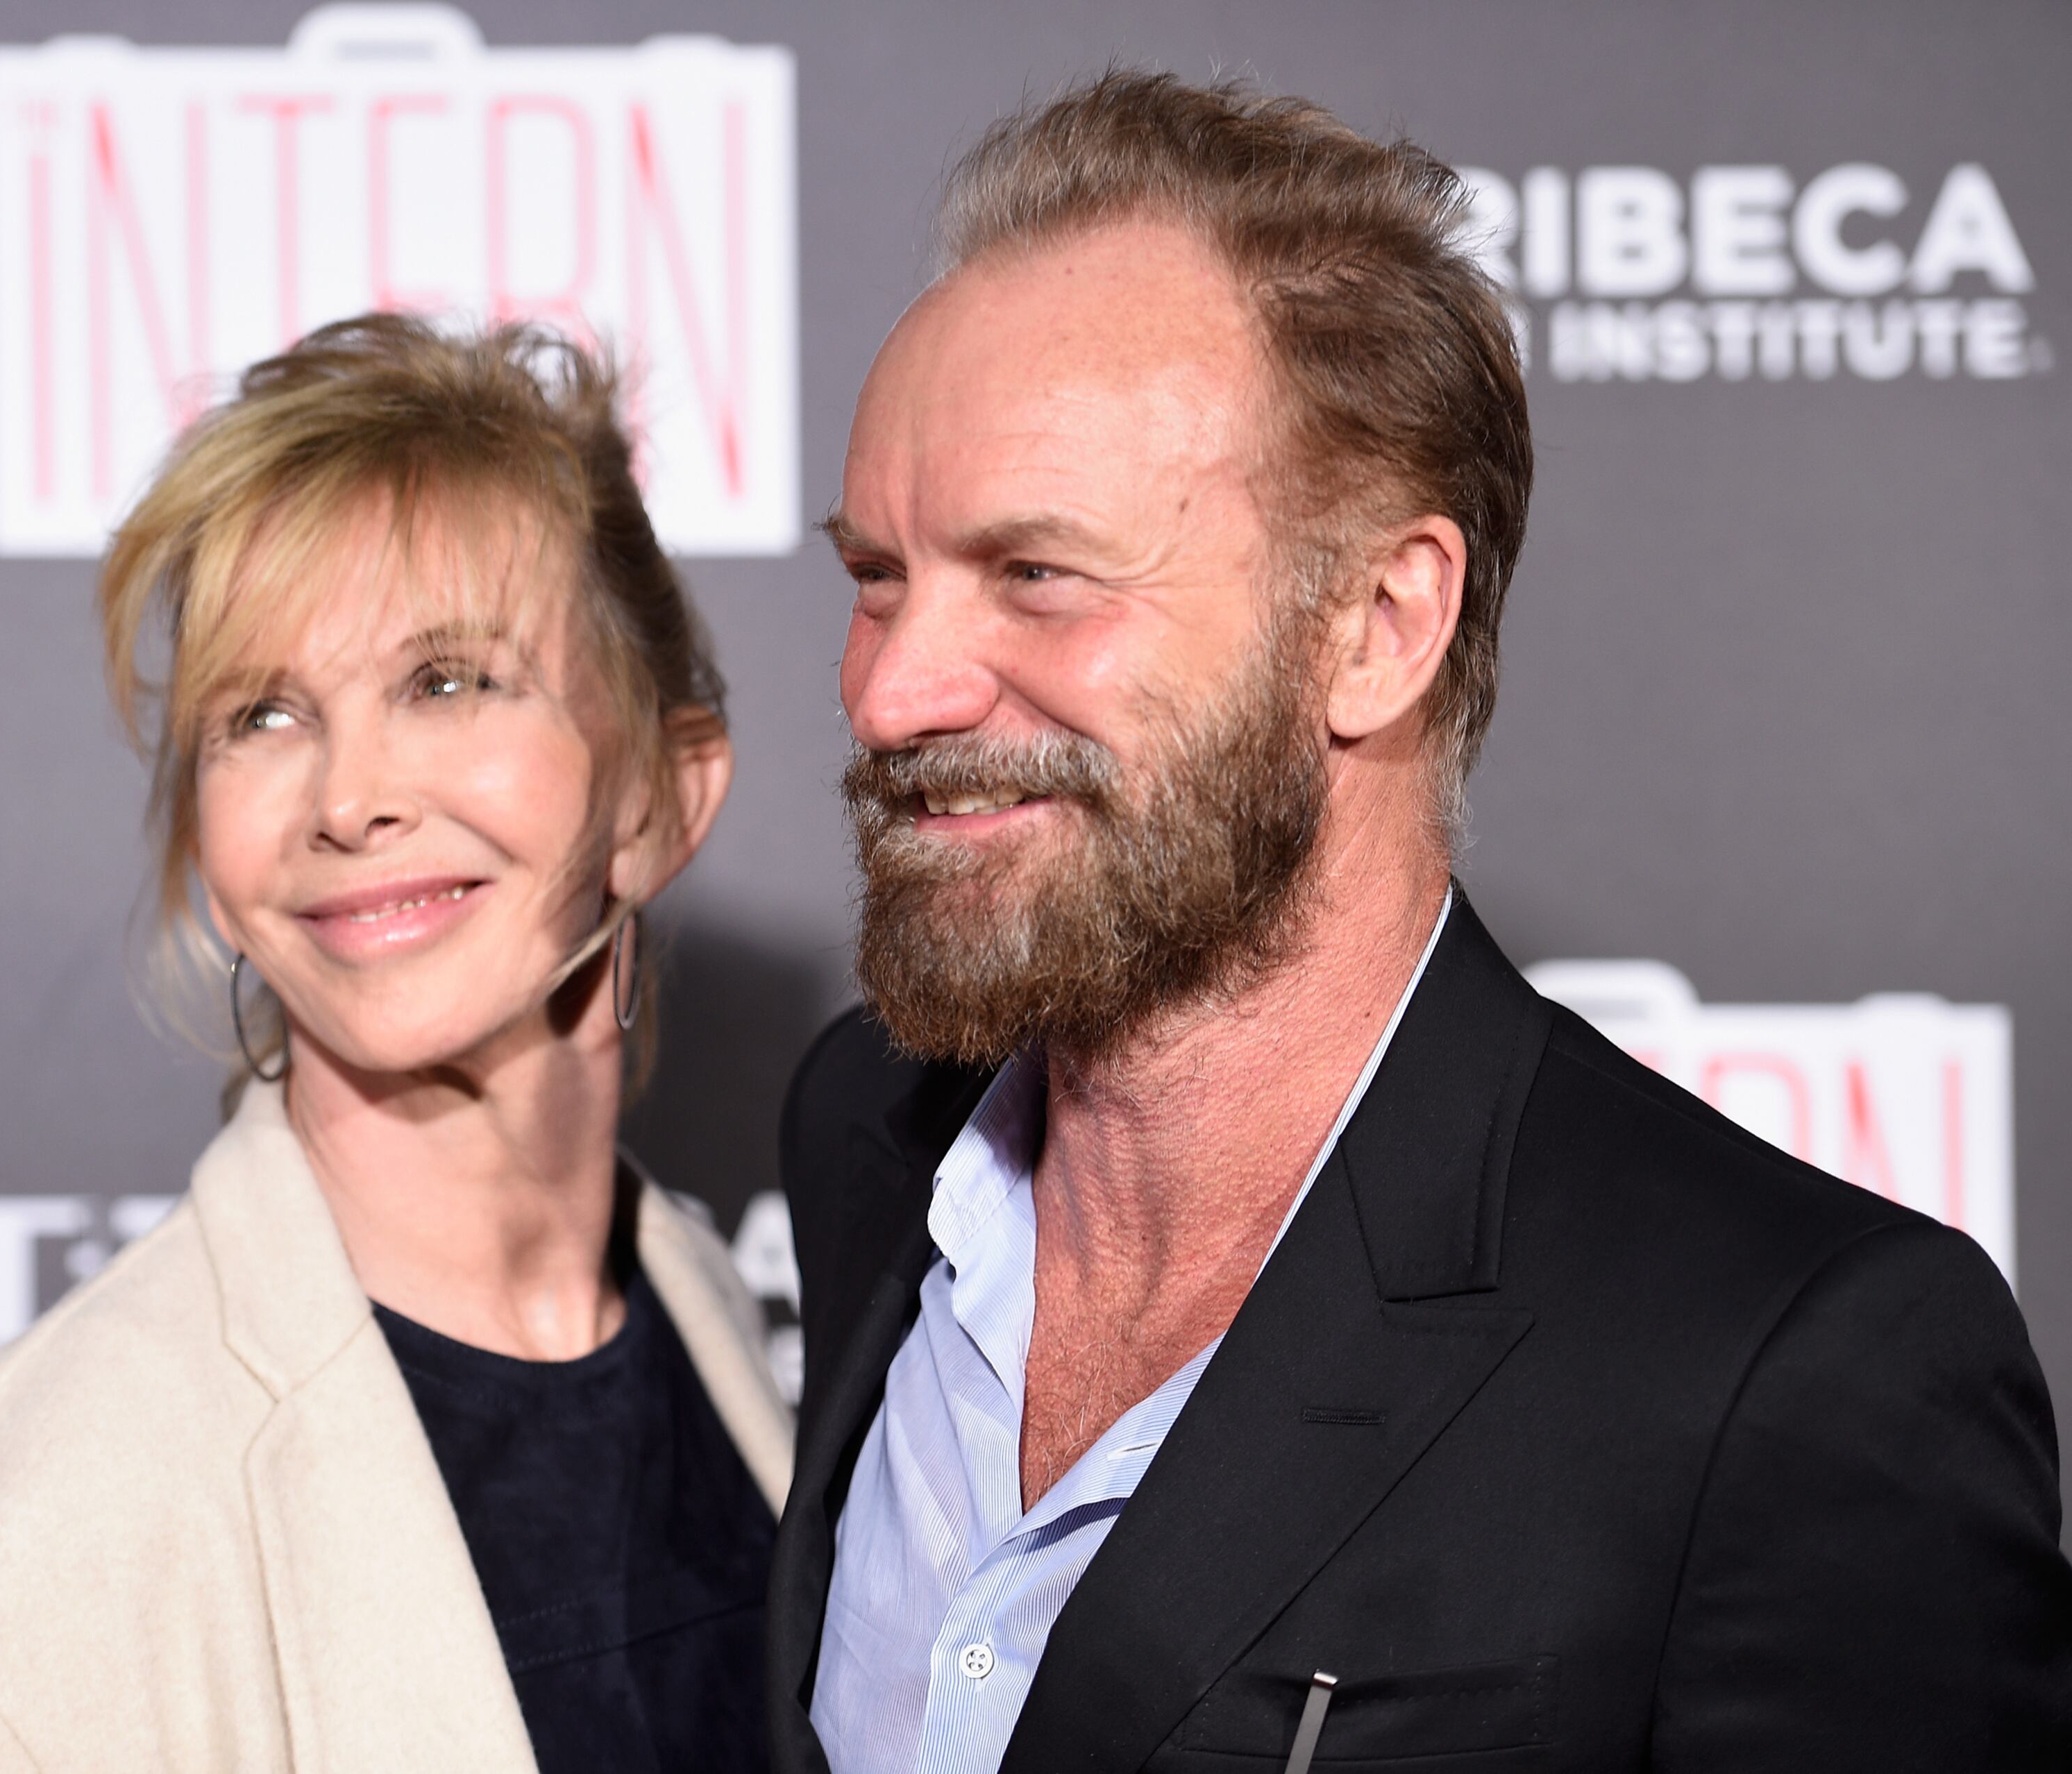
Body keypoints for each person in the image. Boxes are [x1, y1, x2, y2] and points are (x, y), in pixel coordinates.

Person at [768, 72, 2072, 1773]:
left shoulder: (1788, 1376)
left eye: (1037, 576)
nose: (894, 689)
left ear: (1379, 625)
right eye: (877, 577)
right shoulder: (867, 1134)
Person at [0, 315, 791, 1773]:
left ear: (658, 797)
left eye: (448, 680)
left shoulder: (723, 1341)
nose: (349, 796)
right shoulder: (34, 1528)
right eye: (261, 714)